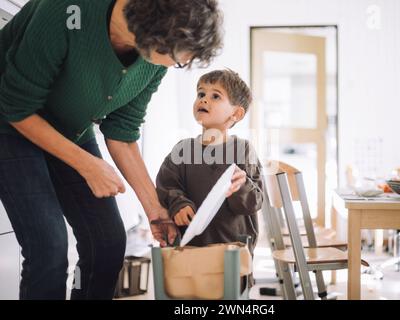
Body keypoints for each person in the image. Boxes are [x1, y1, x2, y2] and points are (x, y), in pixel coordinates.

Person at [0, 0, 224, 300]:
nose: (173, 66)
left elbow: (122, 130)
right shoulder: (66, 10)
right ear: (151, 33)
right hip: (10, 123)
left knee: (107, 243)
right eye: (178, 60)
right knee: (48, 245)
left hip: (71, 129)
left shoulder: (155, 58)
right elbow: (15, 105)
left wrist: (155, 210)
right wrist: (88, 165)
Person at [156, 69, 263, 255]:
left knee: (229, 284)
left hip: (232, 250)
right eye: (201, 93)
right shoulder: (183, 149)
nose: (204, 99)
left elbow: (253, 203)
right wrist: (178, 204)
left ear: (236, 114)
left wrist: (241, 185)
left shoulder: (242, 150)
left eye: (215, 96)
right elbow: (166, 185)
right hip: (188, 249)